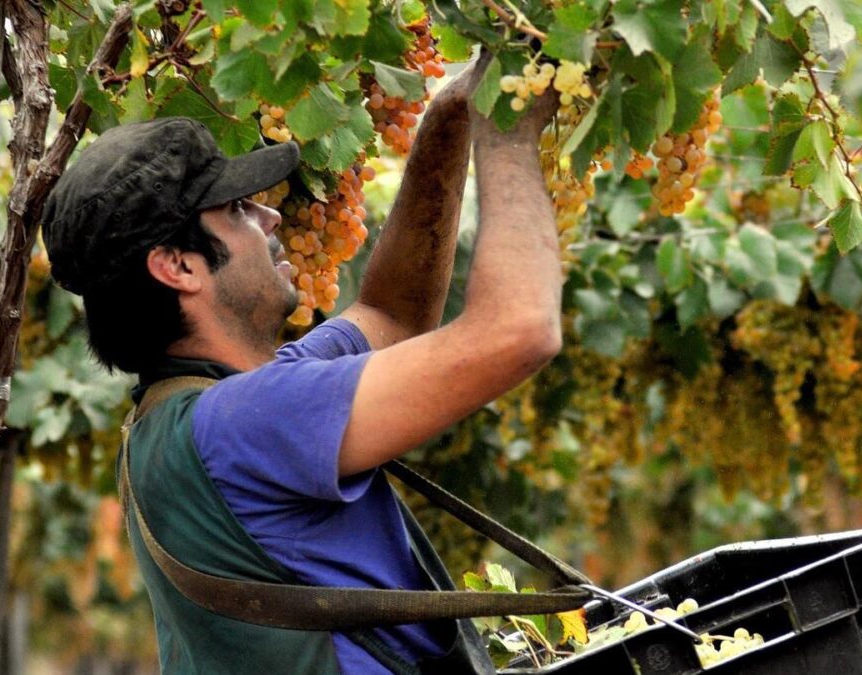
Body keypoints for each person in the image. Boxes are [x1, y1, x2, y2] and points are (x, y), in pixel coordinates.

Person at [40, 56, 563, 674]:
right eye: (235, 211)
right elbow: (521, 329)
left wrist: (447, 119)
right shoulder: (244, 422)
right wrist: (506, 129)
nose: (268, 217)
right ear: (177, 266)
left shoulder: (191, 420)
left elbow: (391, 316)